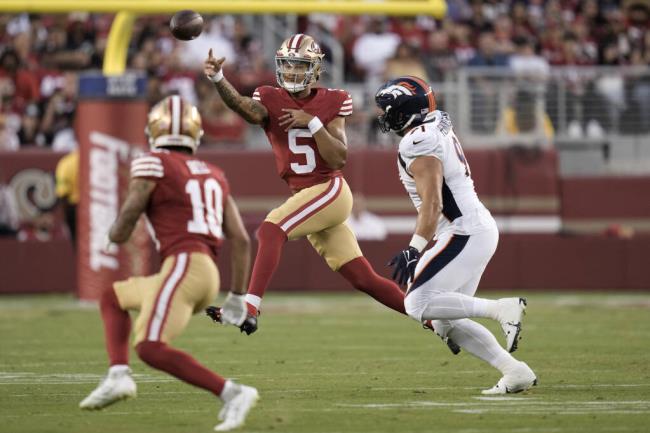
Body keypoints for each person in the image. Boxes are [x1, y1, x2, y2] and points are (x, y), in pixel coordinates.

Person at [203, 34, 407, 332]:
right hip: (308, 197)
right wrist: (219, 78)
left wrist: (311, 122)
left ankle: (249, 307)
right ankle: (431, 319)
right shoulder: (269, 97)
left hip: (329, 190)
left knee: (271, 228)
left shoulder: (334, 100)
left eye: (299, 66)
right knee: (364, 279)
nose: (292, 72)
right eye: (287, 65)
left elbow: (338, 158)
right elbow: (247, 109)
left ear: (314, 69)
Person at [79, 95, 258, 431]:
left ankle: (232, 393)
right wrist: (236, 297)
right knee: (113, 298)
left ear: (153, 129)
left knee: (149, 347)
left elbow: (132, 209)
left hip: (184, 266)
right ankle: (118, 374)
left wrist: (115, 235)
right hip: (204, 272)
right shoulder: (214, 173)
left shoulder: (153, 162)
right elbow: (242, 239)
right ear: (195, 132)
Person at [375, 76, 537, 395]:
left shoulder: (416, 141)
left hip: (463, 232)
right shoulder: (434, 122)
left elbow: (433, 203)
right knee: (444, 321)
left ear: (407, 111)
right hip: (474, 229)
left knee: (416, 302)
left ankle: (499, 309)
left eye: (389, 110)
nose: (383, 117)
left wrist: (414, 249)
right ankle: (515, 371)